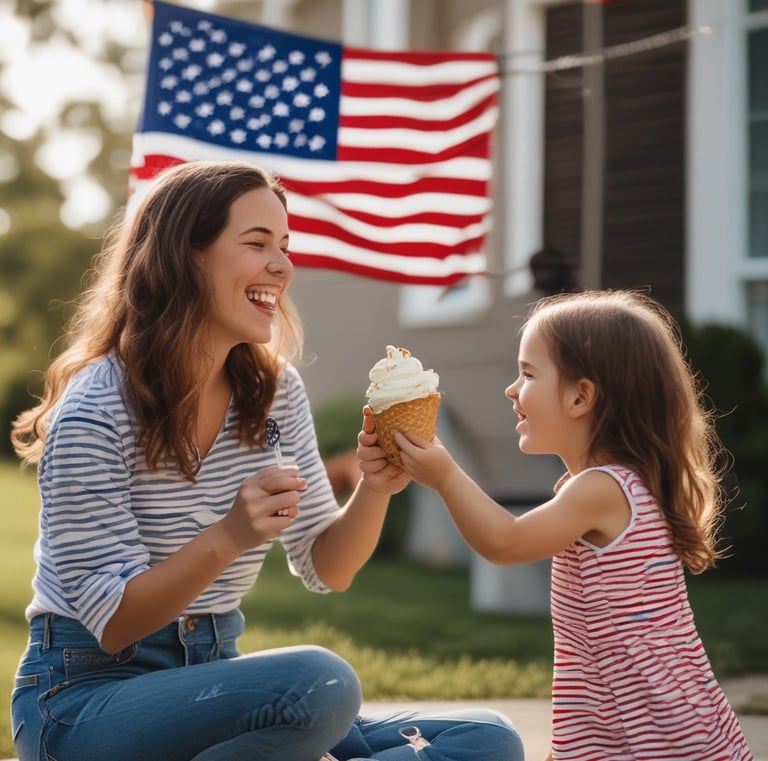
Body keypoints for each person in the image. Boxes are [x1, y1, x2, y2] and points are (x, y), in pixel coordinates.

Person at [9, 160, 524, 761]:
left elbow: (327, 567)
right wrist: (229, 535)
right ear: (185, 256)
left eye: (285, 246)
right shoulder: (97, 410)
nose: (282, 265)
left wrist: (377, 487)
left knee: (486, 737)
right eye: (257, 244)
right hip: (84, 700)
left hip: (214, 685)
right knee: (320, 681)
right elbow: (116, 622)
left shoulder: (274, 394)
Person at [394, 290, 754, 760]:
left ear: (581, 396)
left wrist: (445, 476)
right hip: (655, 709)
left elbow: (506, 542)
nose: (511, 389)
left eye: (527, 374)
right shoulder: (627, 483)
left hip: (646, 723)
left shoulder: (601, 489)